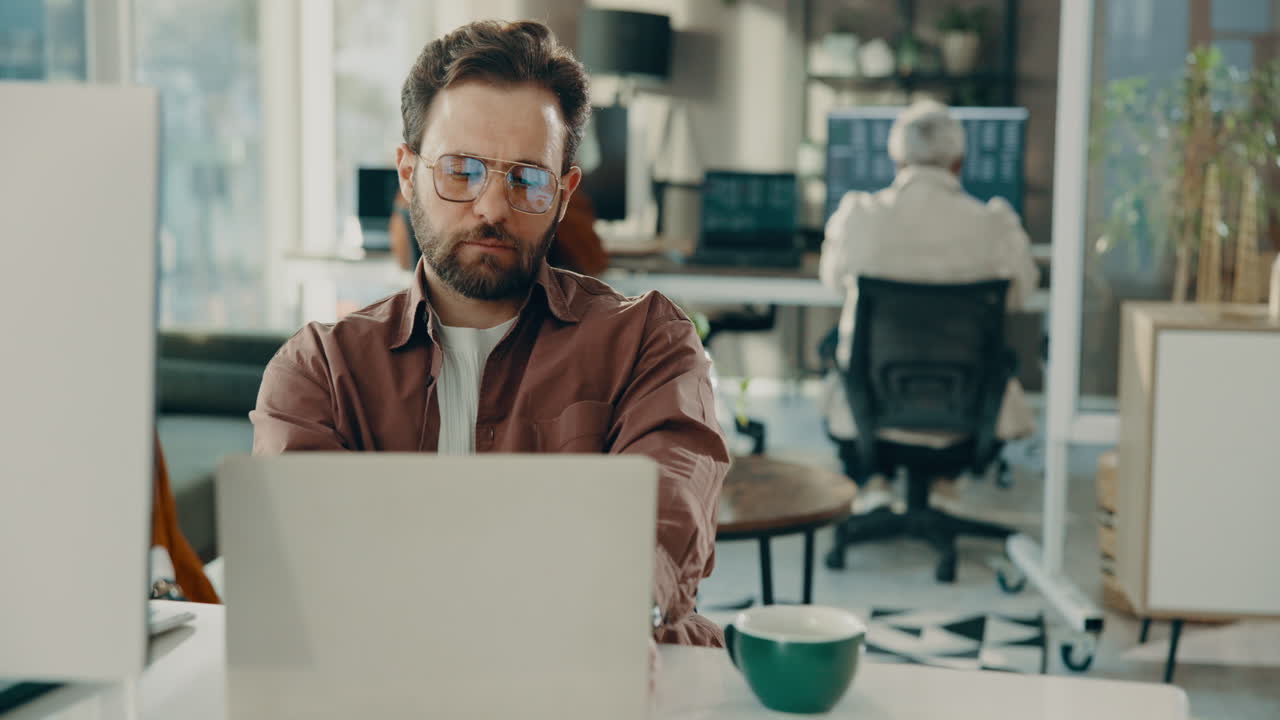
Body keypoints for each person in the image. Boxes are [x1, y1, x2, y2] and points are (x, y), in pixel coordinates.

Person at [251, 20, 729, 648]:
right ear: (407, 173)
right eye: (460, 170)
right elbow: (304, 571)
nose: (492, 208)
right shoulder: (319, 371)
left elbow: (663, 531)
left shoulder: (647, 341)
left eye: (527, 179)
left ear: (562, 195)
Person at [818, 100, 1038, 506]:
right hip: (967, 415)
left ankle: (875, 479)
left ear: (896, 159)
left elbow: (831, 282)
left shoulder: (859, 217)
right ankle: (944, 482)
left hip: (871, 410)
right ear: (959, 162)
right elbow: (1021, 295)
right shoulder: (995, 223)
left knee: (836, 347)